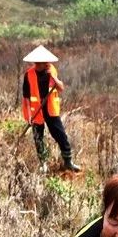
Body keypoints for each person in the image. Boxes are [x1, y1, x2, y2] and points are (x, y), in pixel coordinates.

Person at [22, 45, 80, 173]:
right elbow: (26, 97)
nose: (40, 64)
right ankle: (43, 163)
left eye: (42, 62)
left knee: (60, 135)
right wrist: (29, 115)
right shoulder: (29, 75)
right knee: (38, 138)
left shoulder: (52, 71)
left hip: (50, 110)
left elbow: (60, 88)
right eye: (37, 62)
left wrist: (53, 78)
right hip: (36, 112)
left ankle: (68, 162)